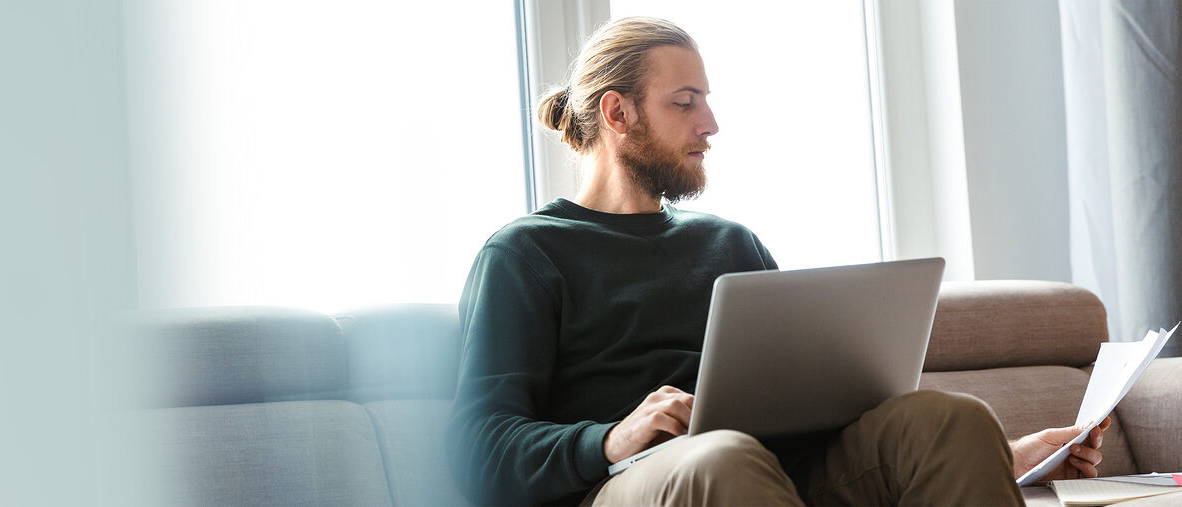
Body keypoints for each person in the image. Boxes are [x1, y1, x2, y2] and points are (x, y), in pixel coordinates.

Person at [445, 16, 1111, 506]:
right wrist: (611, 438)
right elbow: (477, 452)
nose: (710, 124)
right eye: (685, 103)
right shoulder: (526, 254)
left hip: (764, 476)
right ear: (617, 113)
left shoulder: (730, 245)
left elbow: (814, 415)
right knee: (723, 458)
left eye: (706, 100)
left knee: (953, 418)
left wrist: (999, 457)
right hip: (625, 487)